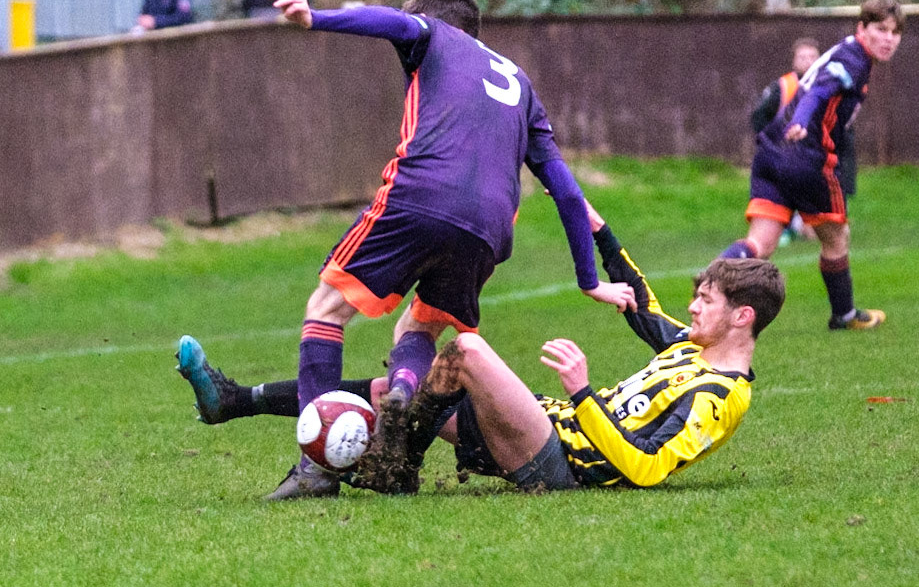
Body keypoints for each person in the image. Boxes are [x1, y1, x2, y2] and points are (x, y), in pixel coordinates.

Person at [188, 0, 635, 500]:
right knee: (421, 326)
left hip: (422, 194)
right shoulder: (522, 85)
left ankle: (315, 472)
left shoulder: (435, 35)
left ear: (441, 22)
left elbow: (395, 24)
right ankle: (402, 392)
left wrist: (316, 18)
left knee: (327, 307)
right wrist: (589, 279)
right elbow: (564, 187)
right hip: (491, 229)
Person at [175, 200, 785, 496]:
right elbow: (644, 300)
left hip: (564, 465)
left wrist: (583, 393)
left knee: (465, 348)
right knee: (394, 391)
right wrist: (597, 228)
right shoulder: (690, 345)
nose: (695, 307)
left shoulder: (719, 396)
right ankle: (234, 401)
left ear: (743, 317)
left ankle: (395, 466)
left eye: (707, 300)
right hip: (545, 426)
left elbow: (647, 469)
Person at [720, 0, 903, 331]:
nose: (888, 38)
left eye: (895, 32)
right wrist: (802, 120)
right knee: (836, 238)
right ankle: (844, 315)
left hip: (772, 150)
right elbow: (818, 92)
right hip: (806, 157)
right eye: (880, 29)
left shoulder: (847, 51)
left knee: (761, 244)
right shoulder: (854, 60)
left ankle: (714, 279)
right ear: (861, 28)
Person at [750, 37, 822, 243]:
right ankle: (783, 227)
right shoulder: (782, 86)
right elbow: (759, 117)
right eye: (802, 57)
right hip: (785, 154)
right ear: (793, 61)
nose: (808, 61)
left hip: (813, 154)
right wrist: (770, 144)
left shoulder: (826, 85)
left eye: (812, 57)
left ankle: (803, 226)